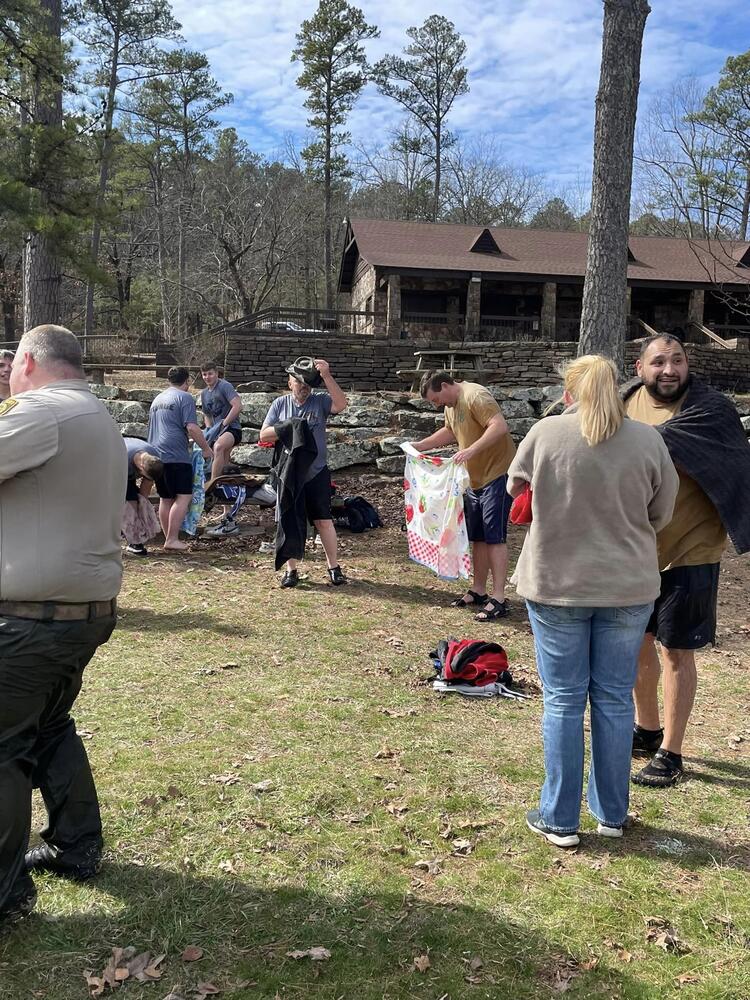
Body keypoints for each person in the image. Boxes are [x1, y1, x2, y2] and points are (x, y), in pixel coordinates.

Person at [508, 355, 678, 847]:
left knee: (563, 700)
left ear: (570, 391)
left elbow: (516, 489)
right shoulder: (649, 439)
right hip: (627, 582)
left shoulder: (544, 433)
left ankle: (559, 817)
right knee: (612, 697)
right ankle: (611, 812)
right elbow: (662, 511)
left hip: (557, 582)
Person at [0, 324, 126, 926]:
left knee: (2, 747)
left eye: (10, 364)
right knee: (49, 728)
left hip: (31, 618)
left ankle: (6, 892)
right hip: (81, 611)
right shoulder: (94, 412)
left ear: (27, 360)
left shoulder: (42, 413)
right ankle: (76, 846)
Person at [624, 334, 750, 787]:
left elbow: (733, 462)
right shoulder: (621, 404)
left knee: (675, 650)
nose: (670, 369)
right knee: (637, 642)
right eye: (659, 361)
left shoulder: (710, 410)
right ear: (640, 367)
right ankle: (645, 728)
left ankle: (671, 751)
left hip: (691, 548)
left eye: (678, 360)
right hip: (635, 548)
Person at [412, 371, 516, 621]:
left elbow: (499, 426)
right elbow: (450, 431)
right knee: (478, 536)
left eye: (435, 399)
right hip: (473, 479)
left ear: (446, 385)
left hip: (497, 474)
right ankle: (479, 590)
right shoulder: (451, 405)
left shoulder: (476, 396)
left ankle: (499, 597)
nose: (436, 404)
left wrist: (470, 450)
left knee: (495, 536)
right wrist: (420, 446)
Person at [259, 357, 347, 587]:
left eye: (307, 384)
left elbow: (341, 405)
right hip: (289, 474)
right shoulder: (280, 405)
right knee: (289, 520)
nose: (303, 388)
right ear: (290, 383)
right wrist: (289, 426)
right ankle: (291, 571)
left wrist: (326, 376)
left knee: (324, 521)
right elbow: (264, 435)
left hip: (317, 472)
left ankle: (334, 568)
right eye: (299, 383)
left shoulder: (319, 402)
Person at [147, 366, 212, 551]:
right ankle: (172, 539)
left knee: (165, 497)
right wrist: (206, 449)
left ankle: (169, 538)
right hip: (176, 455)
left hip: (156, 454)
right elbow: (191, 427)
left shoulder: (157, 399)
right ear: (187, 381)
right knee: (184, 496)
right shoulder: (184, 397)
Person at [199, 362, 243, 481]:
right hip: (216, 431)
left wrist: (224, 423)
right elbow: (206, 414)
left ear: (217, 373)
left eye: (210, 374)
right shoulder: (203, 393)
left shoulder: (224, 386)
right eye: (204, 374)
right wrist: (209, 430)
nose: (207, 377)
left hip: (232, 429)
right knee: (220, 458)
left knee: (218, 447)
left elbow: (237, 406)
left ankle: (213, 484)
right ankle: (221, 483)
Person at [122, 437, 163, 556]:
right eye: (144, 475)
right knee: (129, 504)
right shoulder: (121, 458)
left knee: (138, 503)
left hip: (128, 469)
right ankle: (134, 540)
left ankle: (135, 539)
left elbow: (148, 482)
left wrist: (142, 505)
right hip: (110, 469)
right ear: (141, 468)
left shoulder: (154, 457)